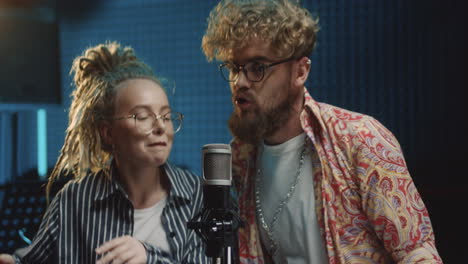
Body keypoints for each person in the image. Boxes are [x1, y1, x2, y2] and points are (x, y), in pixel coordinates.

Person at [201, 0, 443, 263]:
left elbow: (416, 252)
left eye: (258, 68)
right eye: (235, 68)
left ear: (300, 71)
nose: (241, 82)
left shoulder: (360, 138)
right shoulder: (240, 158)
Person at [0, 42, 209, 264]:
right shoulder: (74, 199)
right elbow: (28, 260)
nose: (160, 128)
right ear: (108, 133)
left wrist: (149, 257)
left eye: (166, 116)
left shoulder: (200, 197)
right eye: (142, 116)